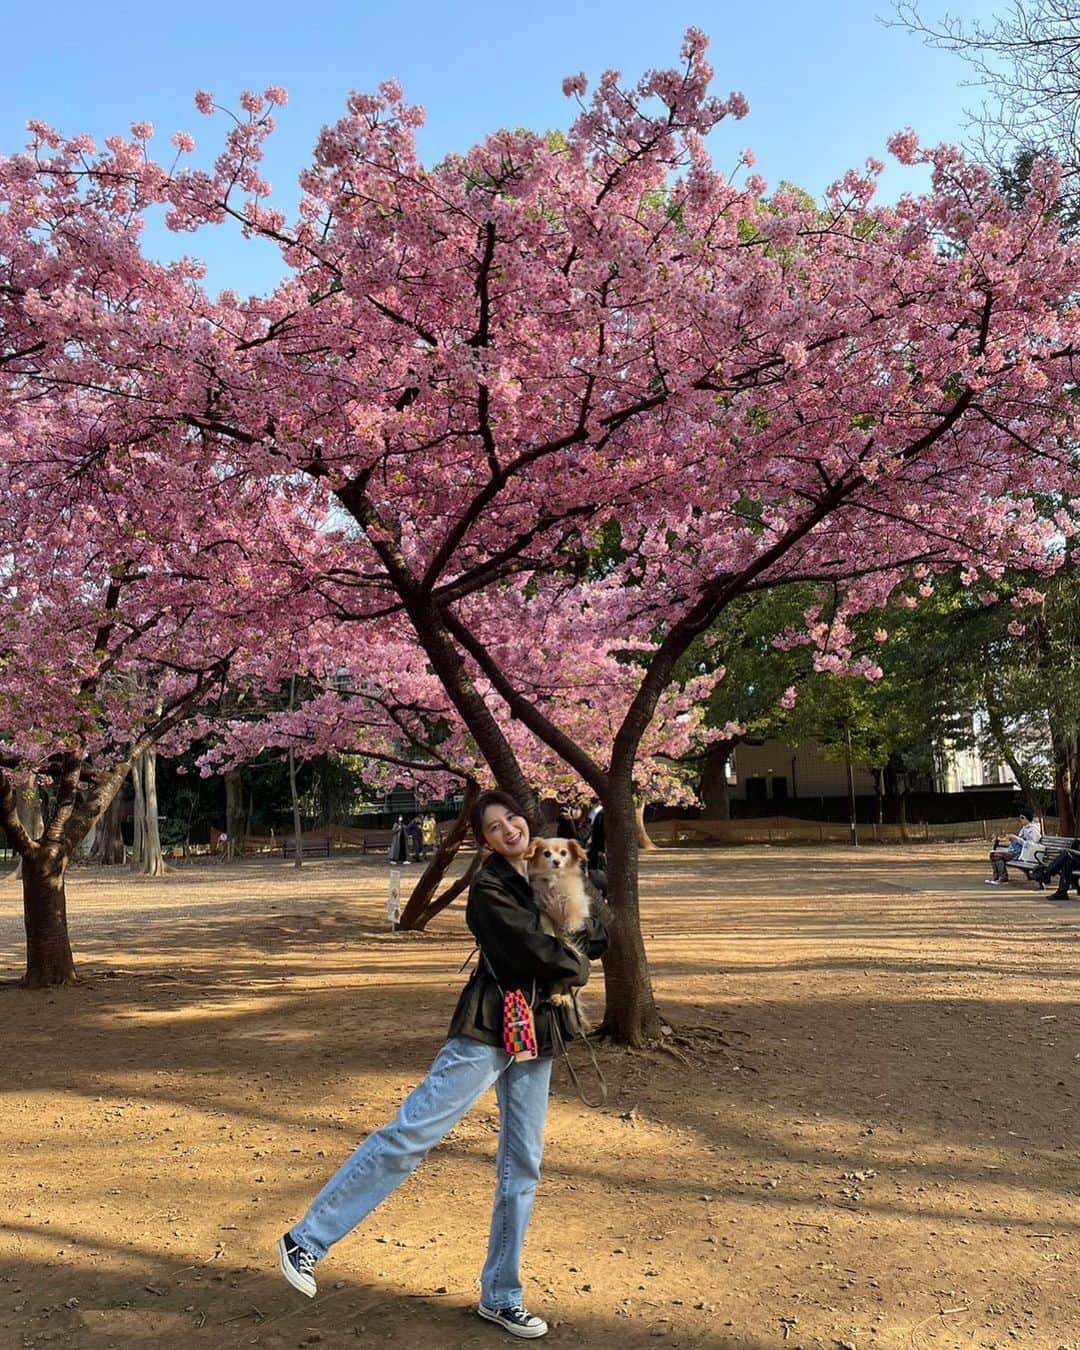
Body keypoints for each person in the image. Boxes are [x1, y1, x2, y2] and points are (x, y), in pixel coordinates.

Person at [277, 789, 608, 1339]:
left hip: (538, 1033)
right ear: (484, 841)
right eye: (495, 826)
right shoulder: (489, 889)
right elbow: (549, 959)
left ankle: (501, 1294)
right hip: (489, 1027)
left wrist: (570, 926)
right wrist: (570, 944)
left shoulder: (554, 863)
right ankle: (305, 1240)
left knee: (522, 1164)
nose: (509, 830)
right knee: (413, 1134)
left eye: (513, 819)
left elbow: (599, 933)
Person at [986, 807, 1042, 884]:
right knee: (992, 854)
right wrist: (1012, 839)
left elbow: (1031, 845)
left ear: (1027, 818)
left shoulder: (1033, 830)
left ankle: (1003, 878)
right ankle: (996, 877)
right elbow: (1020, 841)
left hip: (1023, 854)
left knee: (996, 855)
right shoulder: (1024, 828)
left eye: (1022, 817)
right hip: (1017, 851)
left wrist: (1016, 838)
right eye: (1020, 817)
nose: (1021, 819)